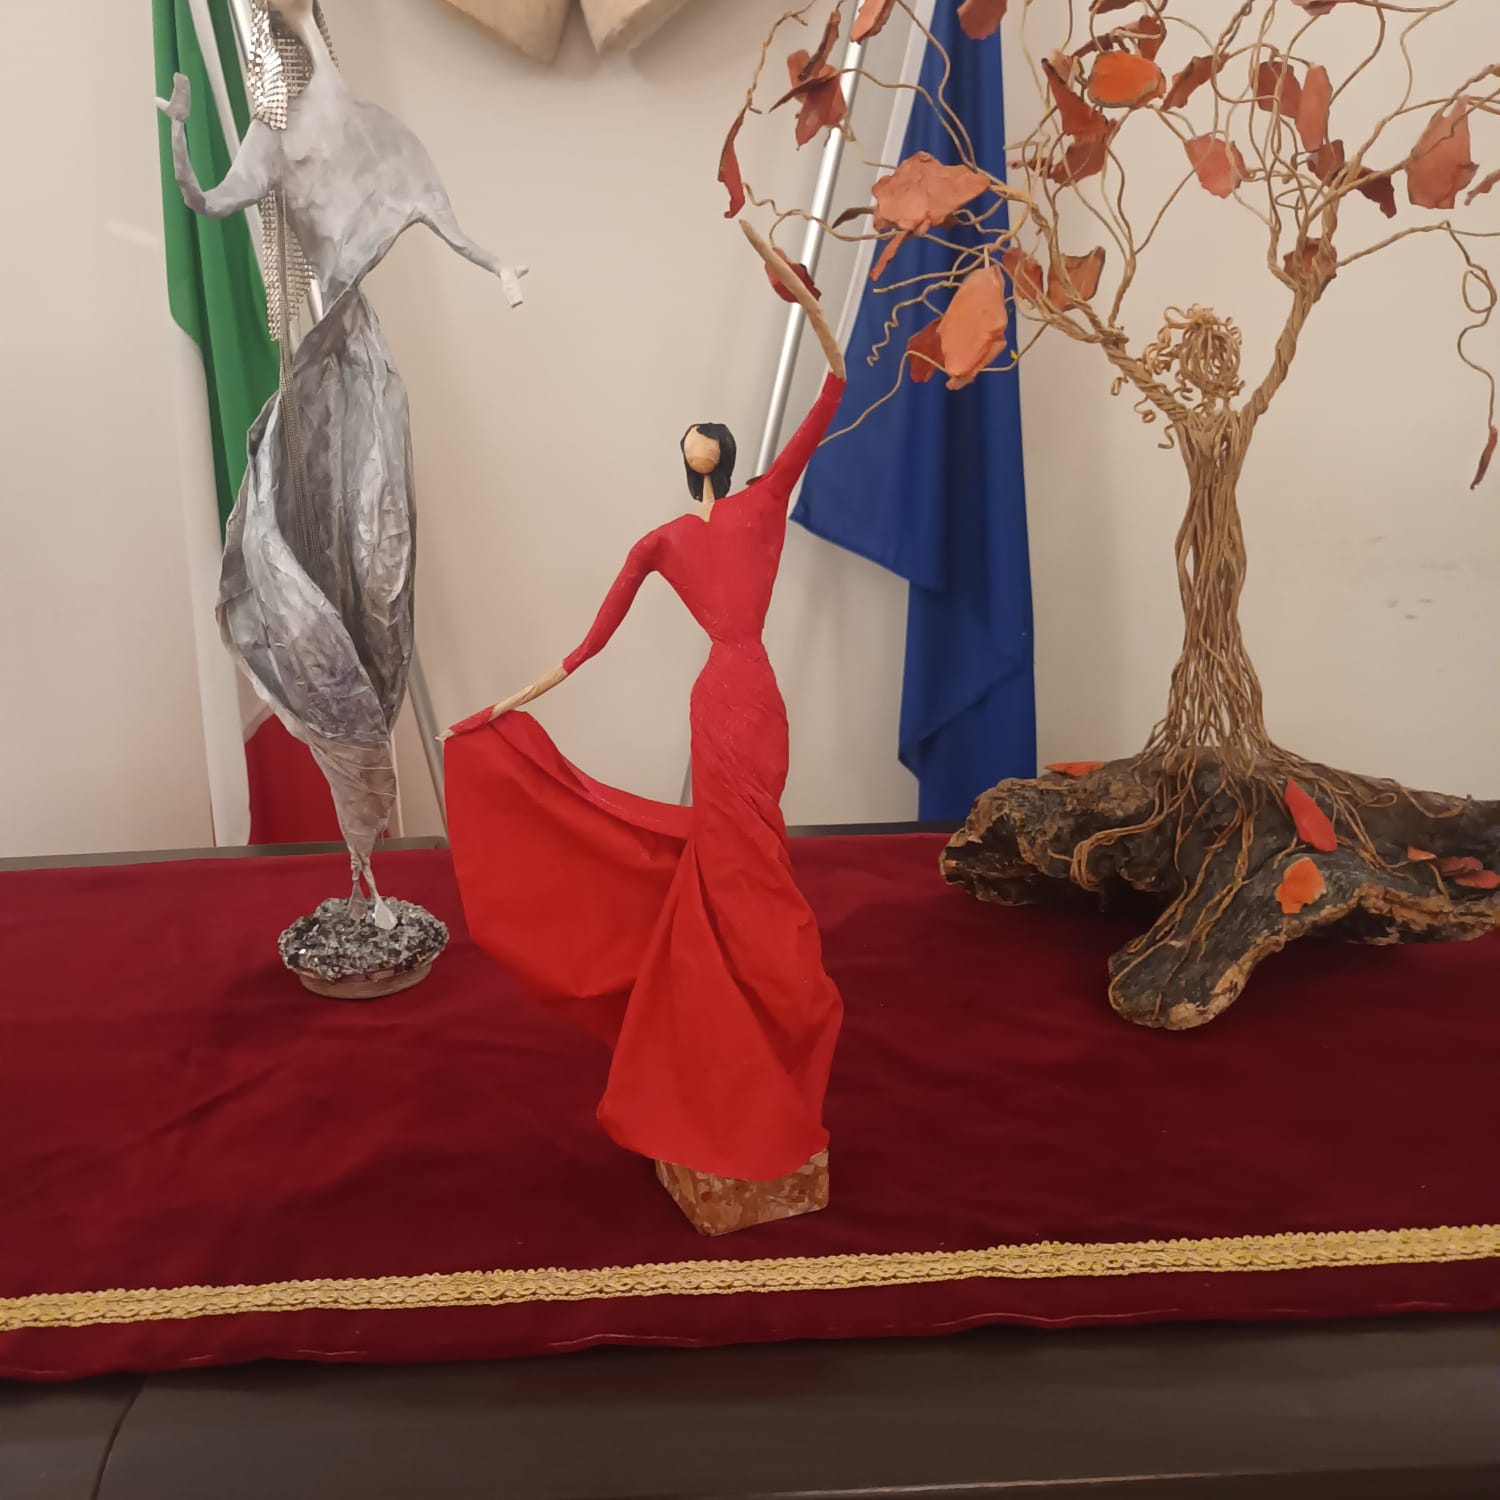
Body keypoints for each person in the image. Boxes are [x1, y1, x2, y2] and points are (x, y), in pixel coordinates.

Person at [444, 221, 847, 1184]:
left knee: (758, 853)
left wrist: (808, 301)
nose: (696, 440)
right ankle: (724, 1036)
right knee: (728, 856)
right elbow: (593, 640)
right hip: (718, 699)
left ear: (722, 451)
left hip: (756, 698)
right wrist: (509, 701)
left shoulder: (764, 501)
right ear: (687, 457)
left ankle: (769, 1017)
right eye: (688, 438)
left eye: (706, 434)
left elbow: (834, 389)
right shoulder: (662, 541)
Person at [159, 0, 526, 925]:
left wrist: (499, 268)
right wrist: (179, 134)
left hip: (359, 357)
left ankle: (367, 841)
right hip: (316, 363)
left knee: (379, 555)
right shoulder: (269, 142)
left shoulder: (365, 126)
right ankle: (358, 834)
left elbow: (437, 210)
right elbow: (206, 202)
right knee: (291, 532)